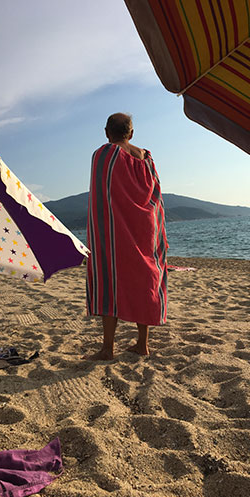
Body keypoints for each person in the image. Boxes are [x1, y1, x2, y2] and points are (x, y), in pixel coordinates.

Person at [85, 113, 168, 360]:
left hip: (114, 229)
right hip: (146, 228)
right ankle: (142, 344)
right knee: (145, 278)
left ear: (106, 132)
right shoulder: (147, 158)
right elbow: (156, 195)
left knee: (109, 278)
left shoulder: (104, 155)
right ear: (131, 133)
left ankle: (107, 348)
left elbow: (101, 196)